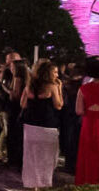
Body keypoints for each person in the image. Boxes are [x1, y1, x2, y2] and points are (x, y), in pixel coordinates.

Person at [21, 60, 64, 188]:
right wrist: (60, 89)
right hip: (47, 125)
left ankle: (32, 184)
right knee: (48, 157)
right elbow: (59, 105)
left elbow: (22, 104)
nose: (57, 75)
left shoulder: (29, 85)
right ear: (48, 73)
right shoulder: (52, 86)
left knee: (31, 156)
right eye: (55, 72)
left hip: (30, 125)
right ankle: (44, 183)